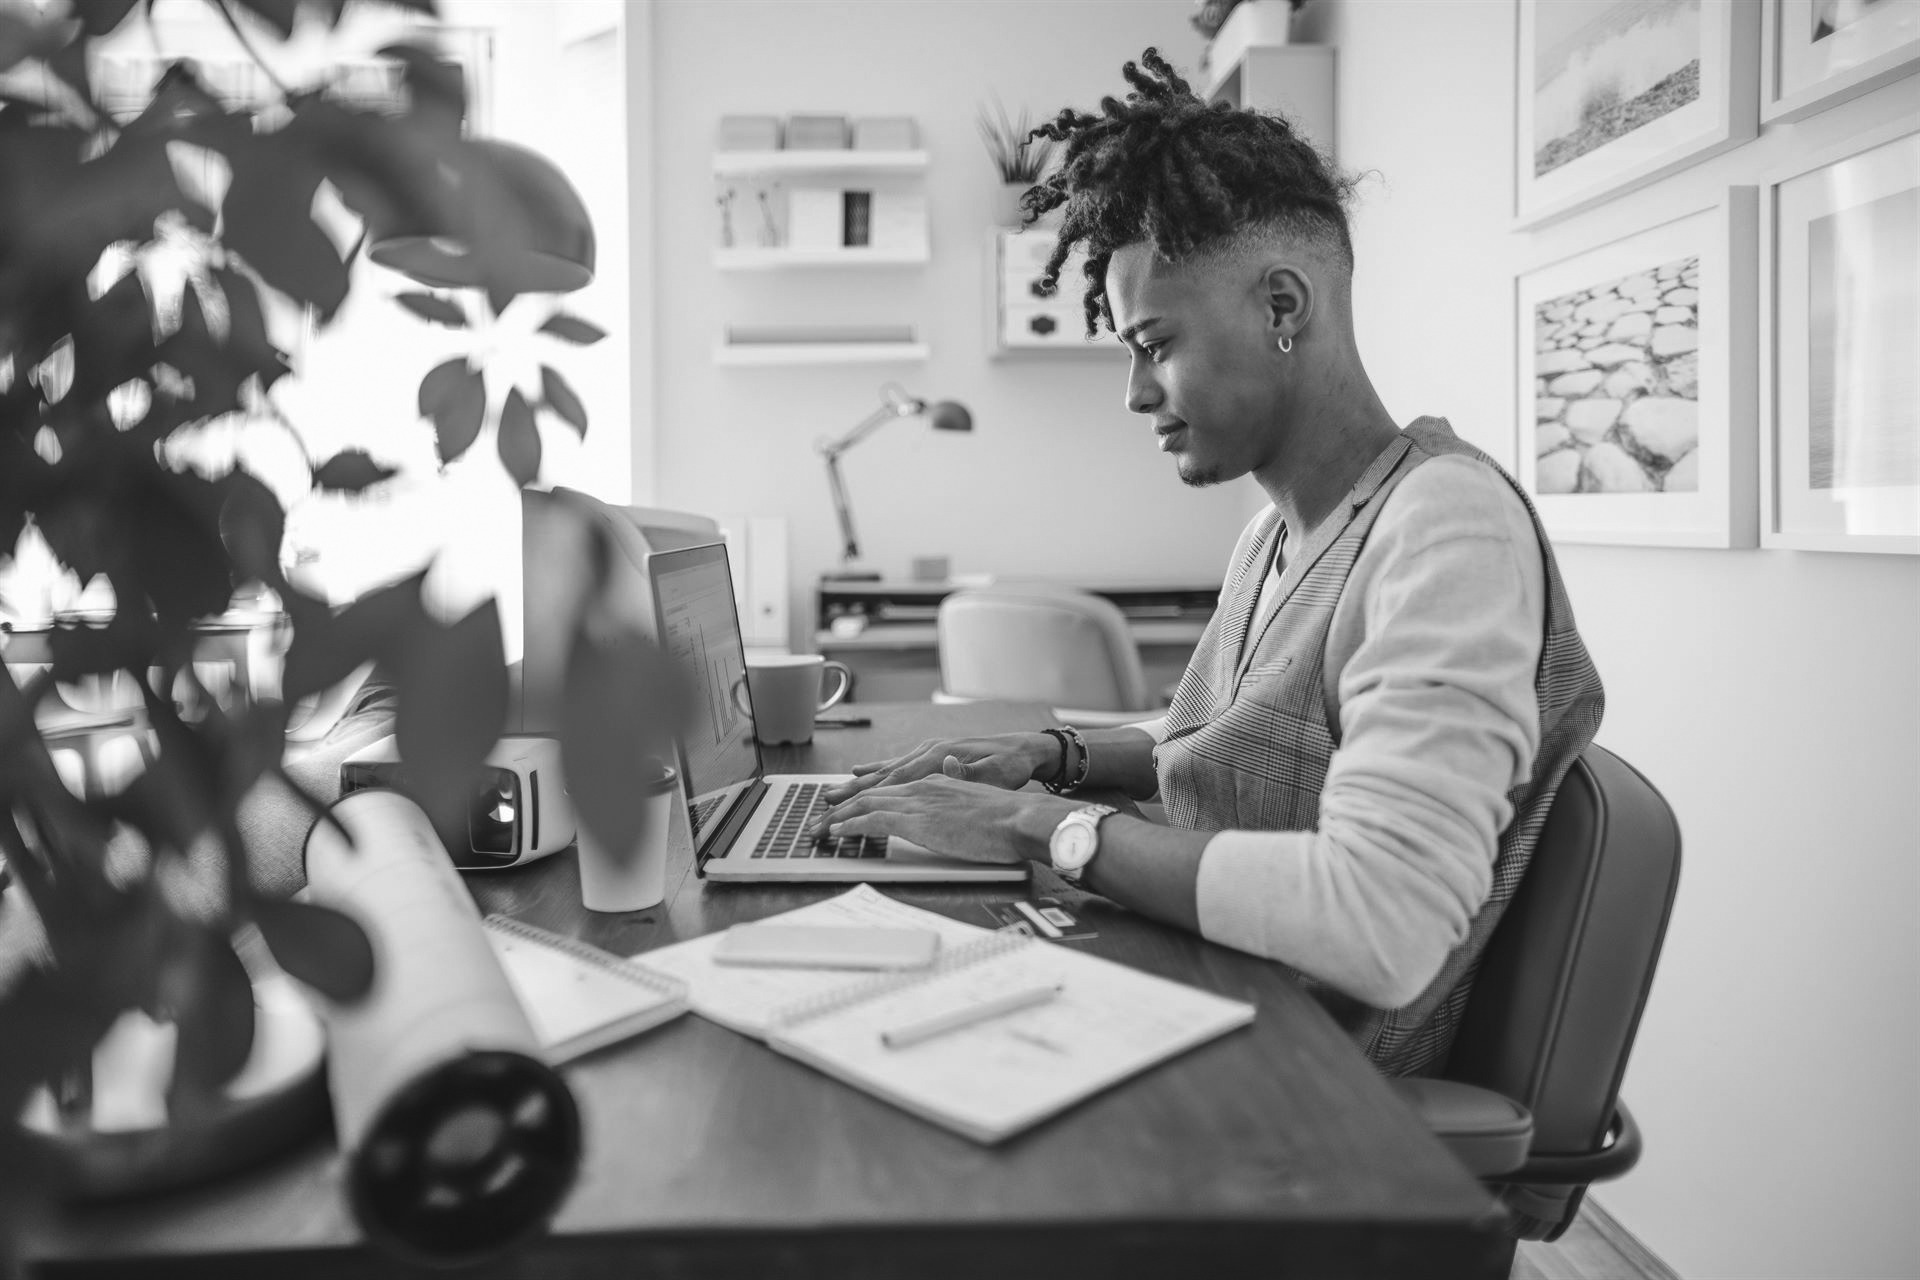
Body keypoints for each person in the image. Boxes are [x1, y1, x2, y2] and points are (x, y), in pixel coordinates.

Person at [809, 49, 1604, 1077]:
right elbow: (1223, 738)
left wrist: (1034, 824)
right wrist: (1051, 753)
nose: (1137, 394)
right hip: (1204, 995)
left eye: (1156, 342)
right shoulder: (1276, 532)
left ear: (1283, 306)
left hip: (1296, 1084)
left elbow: (1387, 921)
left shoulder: (1448, 529)